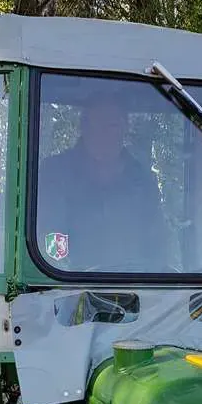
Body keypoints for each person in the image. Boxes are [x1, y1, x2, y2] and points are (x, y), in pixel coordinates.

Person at [37, 96, 171, 274]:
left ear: (125, 128)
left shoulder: (142, 181)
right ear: (83, 128)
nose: (104, 135)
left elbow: (157, 244)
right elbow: (49, 234)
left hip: (136, 289)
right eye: (97, 126)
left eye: (112, 126)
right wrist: (63, 271)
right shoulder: (55, 173)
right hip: (67, 288)